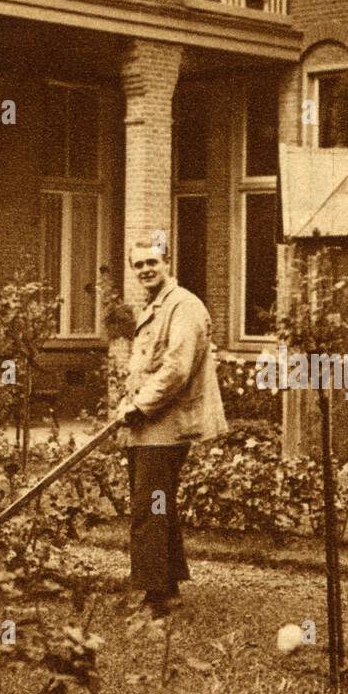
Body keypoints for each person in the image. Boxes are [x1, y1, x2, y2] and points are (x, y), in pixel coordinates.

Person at [117, 240, 227, 617]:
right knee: (158, 503)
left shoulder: (184, 306)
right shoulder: (154, 307)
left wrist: (141, 405)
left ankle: (155, 597)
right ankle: (170, 584)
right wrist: (127, 403)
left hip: (167, 426)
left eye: (152, 262)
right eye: (138, 265)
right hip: (148, 427)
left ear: (167, 261)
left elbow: (177, 369)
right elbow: (146, 369)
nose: (145, 269)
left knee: (149, 506)